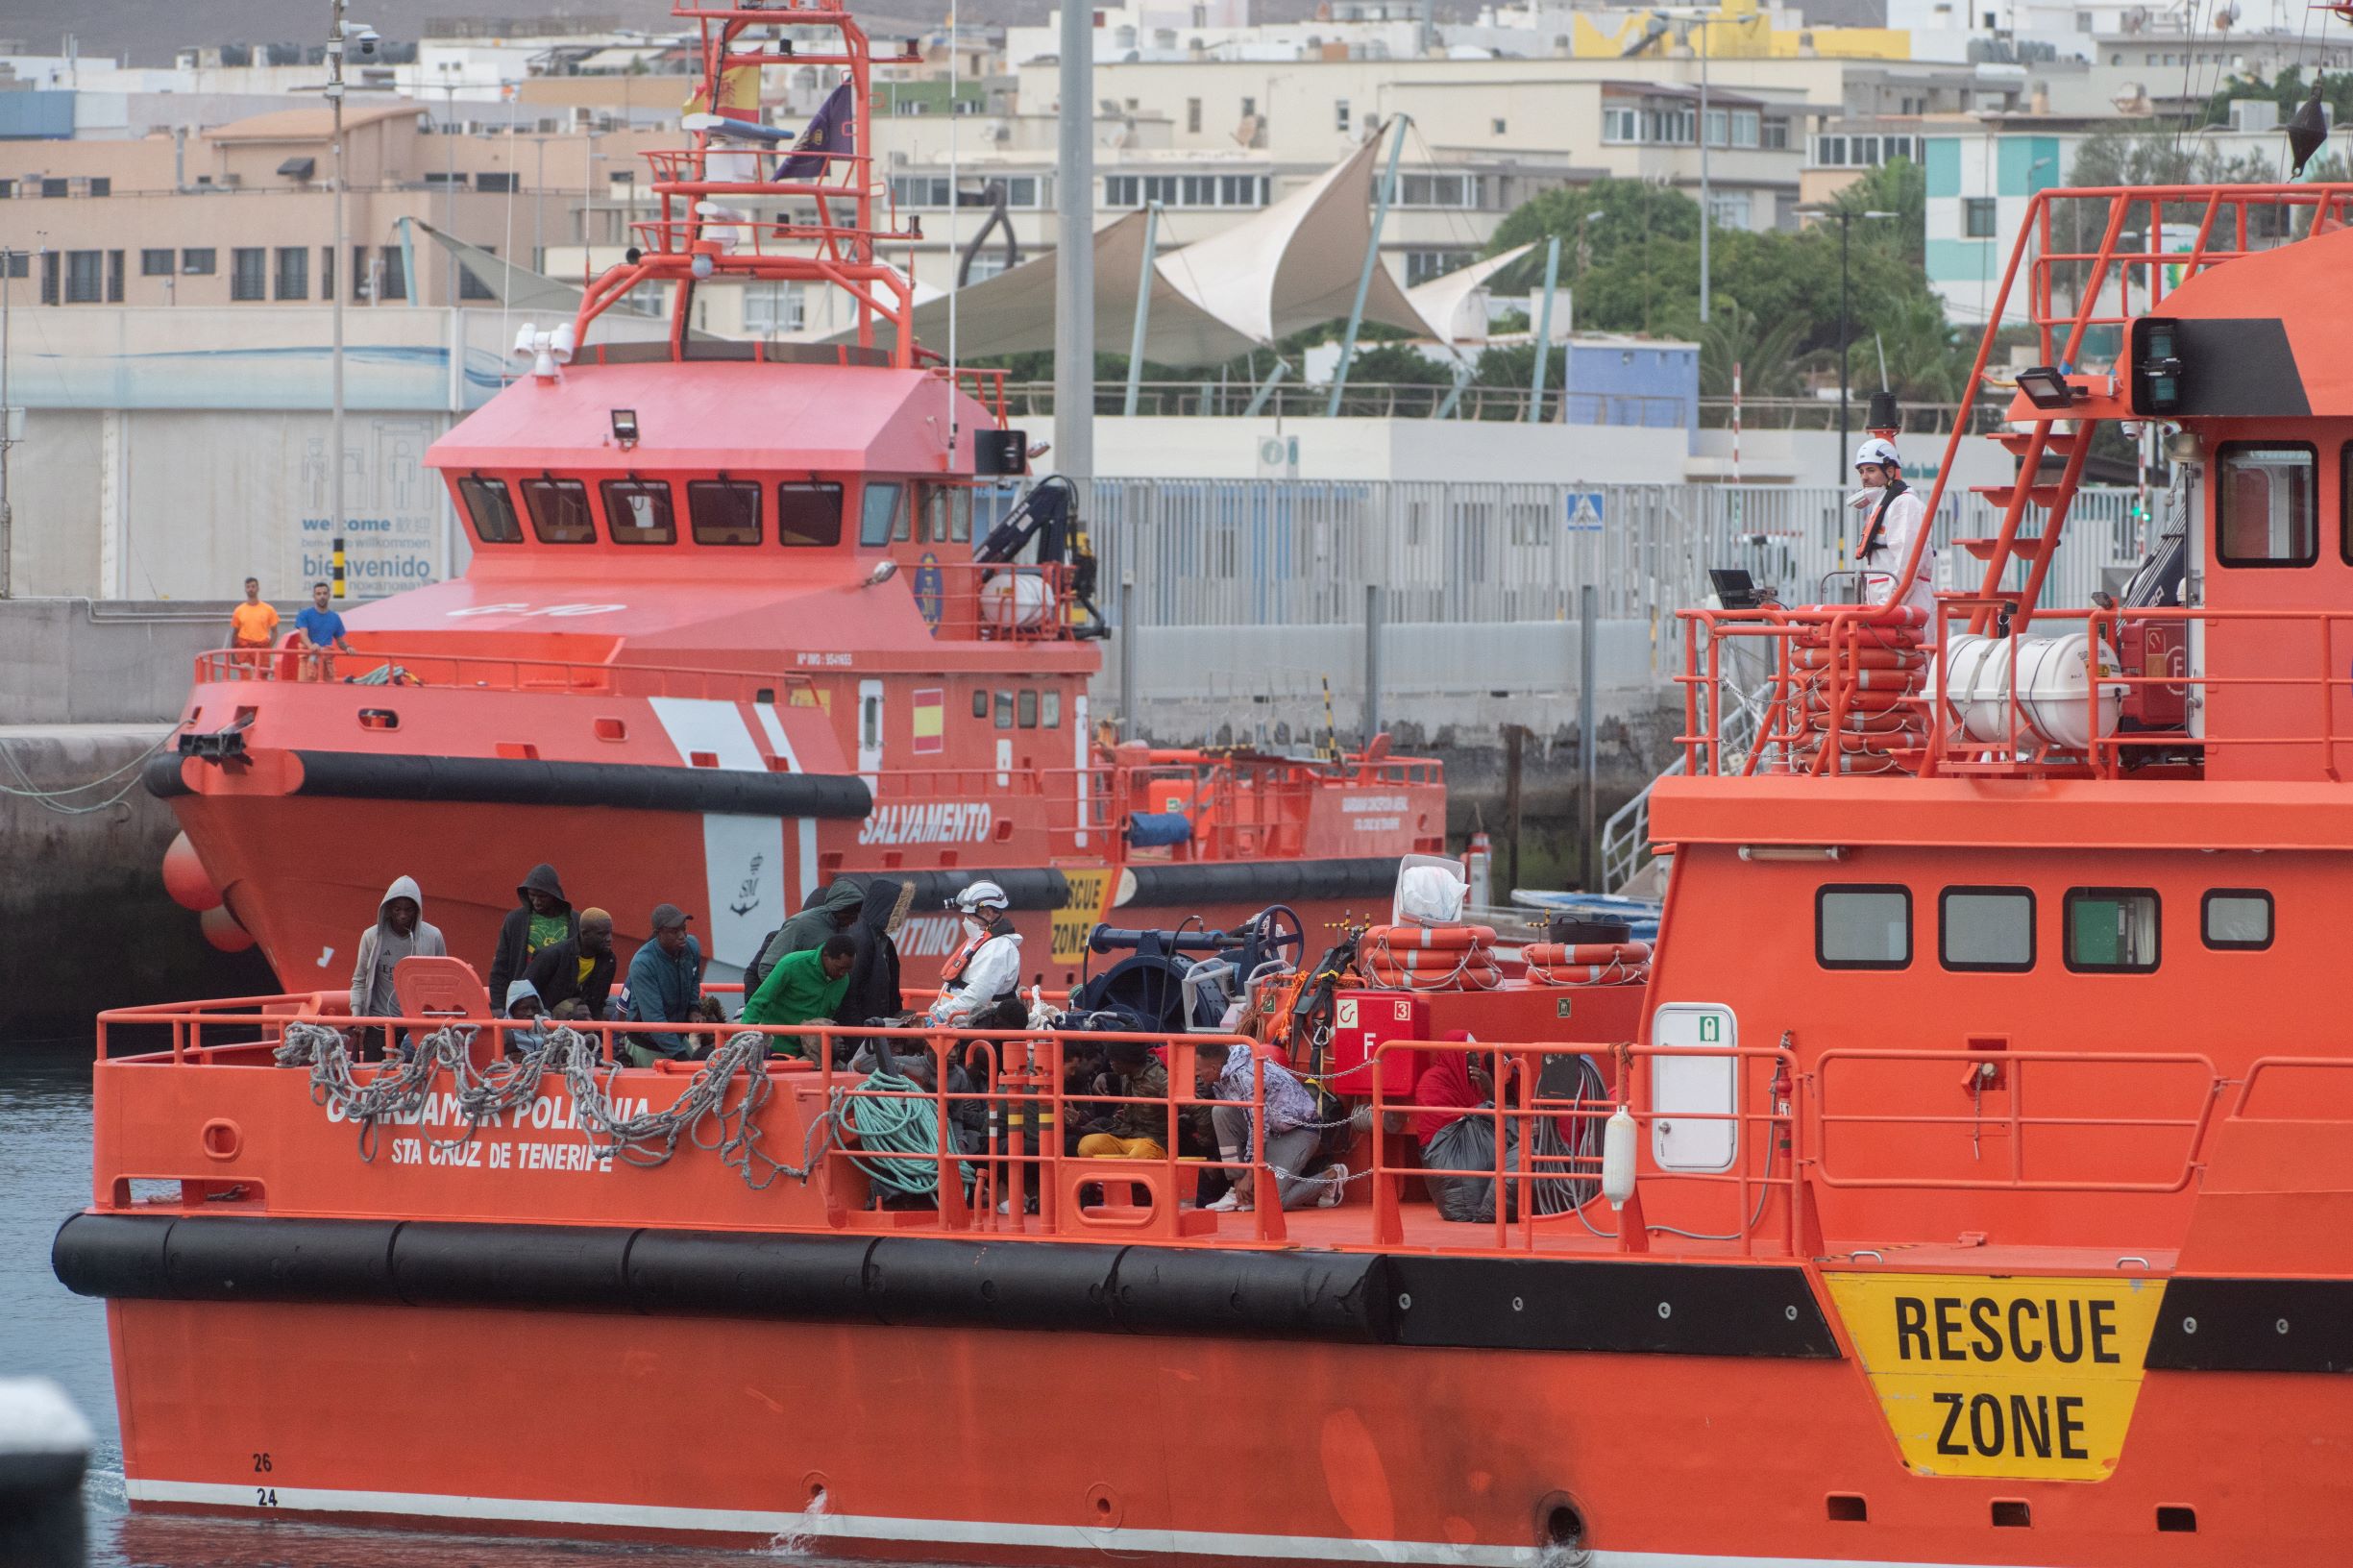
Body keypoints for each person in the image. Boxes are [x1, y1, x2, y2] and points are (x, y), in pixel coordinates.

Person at [1193, 1039, 1344, 1212]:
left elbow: (1257, 1125)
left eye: (1198, 1072)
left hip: (1299, 1130)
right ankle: (1238, 1192)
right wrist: (1241, 1179)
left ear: (1214, 1068)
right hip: (1272, 1129)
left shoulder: (1245, 1076)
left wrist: (1250, 1176)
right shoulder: (1220, 1076)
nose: (1197, 1076)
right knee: (1221, 1112)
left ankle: (1332, 1175)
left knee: (1274, 1201)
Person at [1412, 1038, 1521, 1224]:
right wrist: (1485, 1106)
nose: (1475, 1060)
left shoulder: (1471, 1084)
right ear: (1456, 1055)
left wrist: (1490, 1092)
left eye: (1475, 1053)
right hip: (1445, 1146)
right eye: (1469, 1054)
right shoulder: (1433, 1080)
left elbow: (1487, 1112)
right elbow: (1439, 1120)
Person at [347, 875, 447, 1060]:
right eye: (397, 909)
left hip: (418, 1025)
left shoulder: (433, 937)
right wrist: (357, 1015)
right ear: (388, 909)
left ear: (417, 910)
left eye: (408, 910)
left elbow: (443, 981)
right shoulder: (371, 937)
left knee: (418, 1079)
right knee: (377, 1080)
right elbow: (360, 979)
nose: (402, 915)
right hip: (379, 1024)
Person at [1851, 437, 1934, 619]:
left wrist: (1887, 606)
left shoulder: (1904, 505)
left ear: (1889, 471)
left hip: (1905, 607)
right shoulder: (1885, 505)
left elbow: (1907, 562)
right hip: (1888, 606)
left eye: (1871, 470)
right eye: (1861, 471)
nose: (1864, 477)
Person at [616, 902, 705, 1066]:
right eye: (674, 931)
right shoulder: (643, 963)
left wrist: (694, 1007)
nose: (682, 935)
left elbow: (694, 979)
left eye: (683, 928)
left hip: (676, 1038)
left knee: (694, 1078)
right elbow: (654, 1019)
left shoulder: (692, 946)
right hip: (646, 1042)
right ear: (658, 934)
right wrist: (680, 1056)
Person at [740, 933, 856, 1058]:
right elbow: (758, 1001)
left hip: (808, 1054)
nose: (843, 974)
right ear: (826, 956)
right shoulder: (791, 964)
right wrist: (743, 1042)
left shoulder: (843, 981)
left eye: (848, 969)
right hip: (773, 1049)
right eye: (839, 968)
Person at [925, 882, 1022, 1027]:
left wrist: (942, 1015)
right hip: (956, 1024)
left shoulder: (999, 948)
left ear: (988, 913)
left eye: (970, 915)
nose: (966, 920)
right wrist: (936, 1011)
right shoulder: (982, 941)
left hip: (974, 1029)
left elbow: (978, 995)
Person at [745, 879, 864, 995]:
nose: (854, 919)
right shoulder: (798, 926)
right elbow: (766, 968)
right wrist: (792, 1002)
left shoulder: (839, 934)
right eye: (851, 913)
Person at [488, 864, 575, 1005]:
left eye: (542, 896)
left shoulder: (574, 920)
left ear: (554, 895)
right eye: (532, 895)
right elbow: (500, 966)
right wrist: (498, 1004)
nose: (536, 901)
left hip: (562, 1001)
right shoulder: (515, 920)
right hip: (523, 1002)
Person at [1076, 1040, 1172, 1161]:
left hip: (1153, 1141)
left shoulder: (1161, 1080)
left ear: (1127, 1060)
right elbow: (1117, 1077)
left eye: (1114, 1059)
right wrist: (1104, 1076)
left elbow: (1196, 1106)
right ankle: (1109, 1179)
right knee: (1087, 1145)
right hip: (1125, 1135)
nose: (1110, 1063)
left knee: (1141, 1154)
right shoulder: (1127, 1074)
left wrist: (1203, 1140)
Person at [834, 875, 905, 1032]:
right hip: (864, 1030)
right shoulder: (861, 939)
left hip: (876, 1026)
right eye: (897, 909)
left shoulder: (882, 939)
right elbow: (850, 992)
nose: (900, 916)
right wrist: (858, 1036)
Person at [525, 906, 615, 1021]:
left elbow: (600, 1001)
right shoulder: (552, 955)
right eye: (602, 934)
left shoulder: (609, 960)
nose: (609, 939)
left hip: (584, 1011)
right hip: (547, 1013)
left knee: (616, 1005)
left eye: (610, 933)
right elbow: (525, 991)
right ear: (584, 933)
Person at [292, 581, 352, 680]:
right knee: (304, 692)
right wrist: (311, 646)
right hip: (308, 661)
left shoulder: (335, 617)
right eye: (318, 594)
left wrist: (348, 647)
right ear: (314, 596)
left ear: (329, 595)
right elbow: (303, 635)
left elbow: (340, 641)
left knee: (327, 694)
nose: (322, 597)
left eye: (324, 593)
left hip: (326, 662)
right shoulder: (304, 614)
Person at [228, 577, 279, 675]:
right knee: (245, 677)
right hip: (245, 649)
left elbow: (275, 631)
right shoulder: (239, 610)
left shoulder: (269, 609)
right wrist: (233, 654)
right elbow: (235, 634)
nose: (251, 589)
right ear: (245, 589)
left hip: (262, 648)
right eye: (248, 587)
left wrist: (268, 648)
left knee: (262, 678)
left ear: (258, 588)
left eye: (253, 586)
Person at [503, 979, 553, 1057]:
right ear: (512, 1010)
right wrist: (508, 1057)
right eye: (524, 1008)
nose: (530, 1013)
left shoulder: (550, 1026)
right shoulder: (502, 1032)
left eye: (534, 1008)